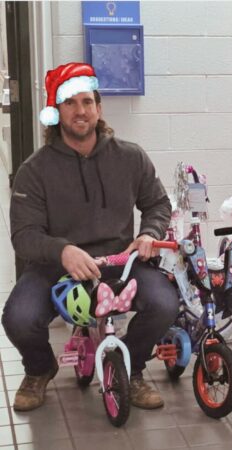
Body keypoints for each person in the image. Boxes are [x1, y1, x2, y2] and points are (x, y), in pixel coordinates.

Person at [2, 62, 179, 412]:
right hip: (56, 266)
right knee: (18, 318)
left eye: (87, 102)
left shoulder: (130, 157)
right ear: (56, 111)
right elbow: (24, 235)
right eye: (69, 103)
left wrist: (149, 233)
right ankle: (39, 368)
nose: (80, 111)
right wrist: (63, 250)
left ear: (98, 108)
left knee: (165, 304)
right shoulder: (34, 170)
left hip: (119, 260)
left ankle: (130, 366)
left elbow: (158, 204)